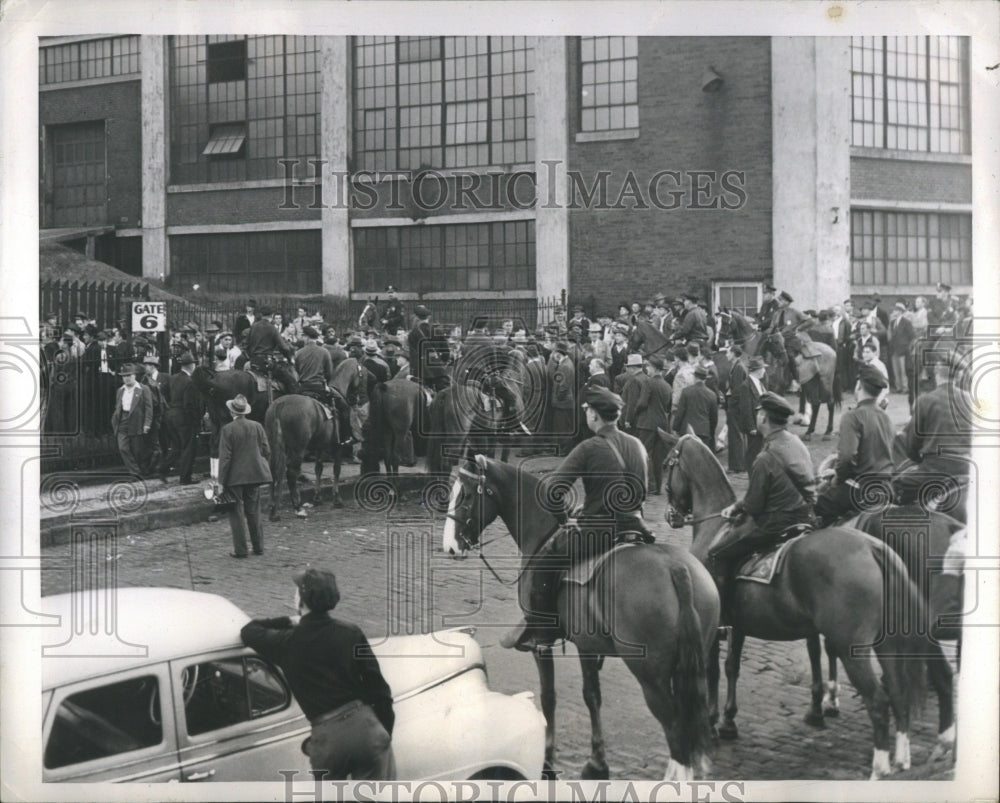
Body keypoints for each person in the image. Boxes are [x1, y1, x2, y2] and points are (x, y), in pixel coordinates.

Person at [500, 386, 653, 652]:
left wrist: (565, 520)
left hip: (599, 532)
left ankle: (544, 634)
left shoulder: (589, 447)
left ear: (593, 415)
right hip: (637, 529)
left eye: (588, 411)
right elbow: (641, 491)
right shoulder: (637, 444)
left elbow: (551, 491)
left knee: (542, 568)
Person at [241, 570, 396, 779]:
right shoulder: (351, 632)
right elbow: (379, 690)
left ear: (302, 600)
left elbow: (249, 630)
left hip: (327, 738)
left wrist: (290, 620)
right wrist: (384, 731)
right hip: (365, 727)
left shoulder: (286, 642)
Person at [709, 393, 817, 606]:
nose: (757, 416)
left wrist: (738, 508)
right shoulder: (795, 441)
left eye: (759, 413)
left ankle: (724, 615)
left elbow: (755, 506)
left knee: (716, 554)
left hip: (775, 523)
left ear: (764, 418)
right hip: (805, 516)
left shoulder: (764, 458)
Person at [813, 365, 894, 526]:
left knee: (819, 505)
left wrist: (837, 478)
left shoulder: (853, 417)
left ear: (858, 386)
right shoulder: (886, 417)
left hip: (861, 490)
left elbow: (847, 458)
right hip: (886, 489)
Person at [892, 354, 971, 512]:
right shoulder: (970, 399)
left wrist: (918, 460)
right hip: (966, 468)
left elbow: (911, 446)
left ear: (936, 371)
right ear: (959, 375)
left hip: (935, 470)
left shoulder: (925, 400)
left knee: (895, 485)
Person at [217, 394, 272, 558]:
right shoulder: (257, 426)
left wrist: (221, 481)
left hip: (235, 477)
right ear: (245, 411)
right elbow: (266, 450)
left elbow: (225, 458)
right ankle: (258, 547)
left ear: (231, 412)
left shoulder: (227, 430)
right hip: (254, 474)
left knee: (236, 513)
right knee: (254, 511)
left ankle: (240, 550)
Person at [635, 354, 672, 494]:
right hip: (662, 423)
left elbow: (642, 403)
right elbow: (668, 406)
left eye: (648, 367)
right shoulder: (667, 385)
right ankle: (657, 486)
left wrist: (635, 412)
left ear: (655, 368)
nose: (647, 370)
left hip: (647, 423)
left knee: (644, 453)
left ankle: (649, 485)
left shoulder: (648, 383)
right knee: (658, 456)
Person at [163, 352, 202, 485]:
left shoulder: (172, 378)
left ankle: (162, 469)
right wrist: (196, 419)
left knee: (176, 446)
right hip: (184, 418)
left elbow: (165, 394)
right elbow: (189, 404)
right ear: (191, 365)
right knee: (188, 448)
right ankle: (185, 478)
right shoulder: (190, 381)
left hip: (171, 415)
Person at [111, 363, 153, 476]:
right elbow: (118, 407)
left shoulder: (143, 389)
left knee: (137, 450)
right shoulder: (120, 390)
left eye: (129, 375)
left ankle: (141, 470)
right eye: (124, 376)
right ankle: (135, 472)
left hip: (137, 421)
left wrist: (147, 424)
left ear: (134, 375)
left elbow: (149, 408)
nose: (126, 378)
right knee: (123, 448)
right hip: (122, 421)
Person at [246, 306, 297, 393]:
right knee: (291, 381)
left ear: (261, 315)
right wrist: (290, 358)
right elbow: (284, 347)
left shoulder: (254, 326)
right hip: (266, 362)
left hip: (253, 361)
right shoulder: (272, 328)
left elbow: (248, 344)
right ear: (272, 315)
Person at [672, 364, 718, 451]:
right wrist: (710, 432)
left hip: (687, 431)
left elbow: (680, 413)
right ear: (705, 378)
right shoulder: (712, 395)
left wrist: (675, 428)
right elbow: (714, 418)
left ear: (694, 377)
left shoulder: (686, 392)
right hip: (704, 432)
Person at [735, 356, 767, 470]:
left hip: (760, 424)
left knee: (758, 450)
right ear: (757, 370)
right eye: (763, 368)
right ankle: (751, 473)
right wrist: (751, 427)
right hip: (753, 426)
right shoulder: (746, 385)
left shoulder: (759, 383)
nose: (764, 371)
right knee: (752, 453)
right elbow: (745, 408)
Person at [549, 341, 576, 453]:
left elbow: (563, 386)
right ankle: (563, 449)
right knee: (563, 426)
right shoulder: (565, 363)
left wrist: (558, 397)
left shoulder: (565, 366)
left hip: (563, 402)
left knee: (563, 427)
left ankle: (564, 450)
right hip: (564, 401)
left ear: (558, 354)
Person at [887, 301, 915, 394]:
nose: (893, 312)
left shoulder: (906, 322)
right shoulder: (892, 322)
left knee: (903, 369)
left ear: (900, 311)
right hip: (894, 349)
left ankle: (905, 387)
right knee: (896, 369)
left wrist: (907, 346)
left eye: (895, 310)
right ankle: (898, 387)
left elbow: (911, 335)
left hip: (903, 349)